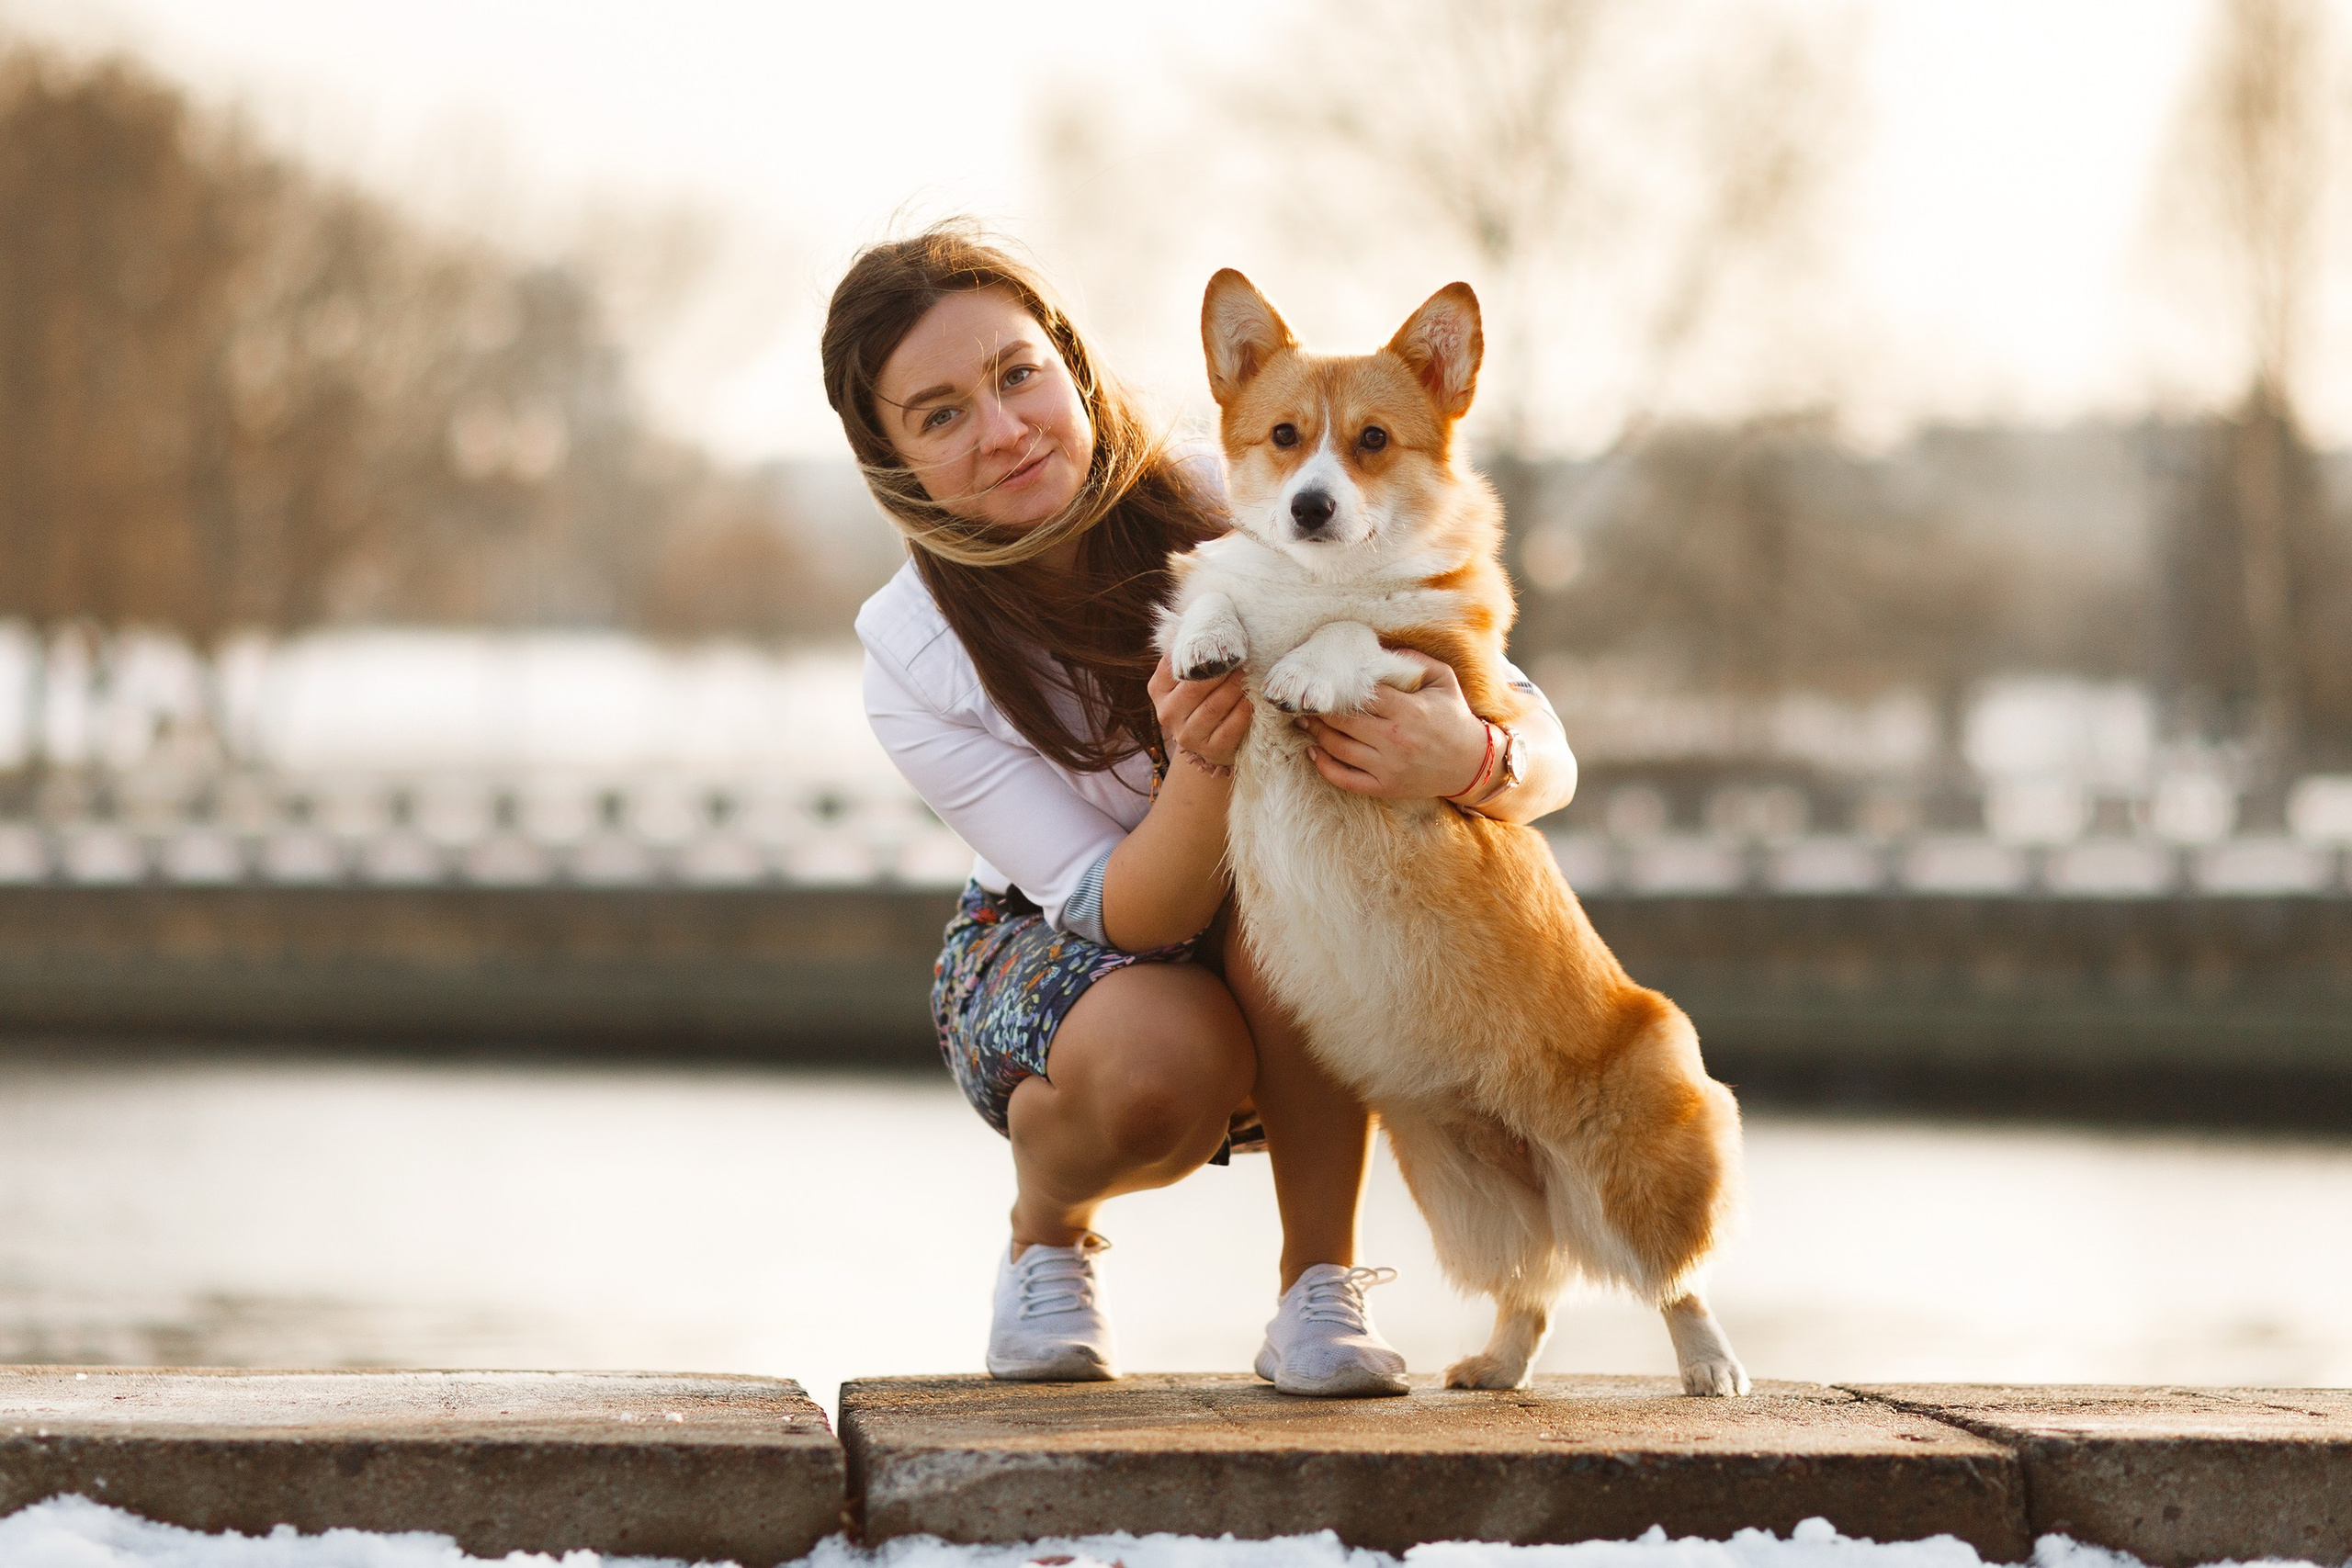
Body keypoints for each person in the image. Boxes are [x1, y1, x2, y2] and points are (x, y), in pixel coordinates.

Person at [823, 224, 1577, 1396]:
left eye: (1018, 374)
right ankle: (1046, 1232)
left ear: (1070, 364)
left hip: (1284, 906)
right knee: (1157, 1075)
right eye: (940, 413)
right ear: (892, 459)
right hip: (1057, 937)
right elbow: (1125, 913)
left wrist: (1465, 755)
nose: (1005, 427)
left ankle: (1316, 1291)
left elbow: (1542, 750)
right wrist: (1205, 765)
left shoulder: (1267, 480)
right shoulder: (912, 654)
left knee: (1302, 897)